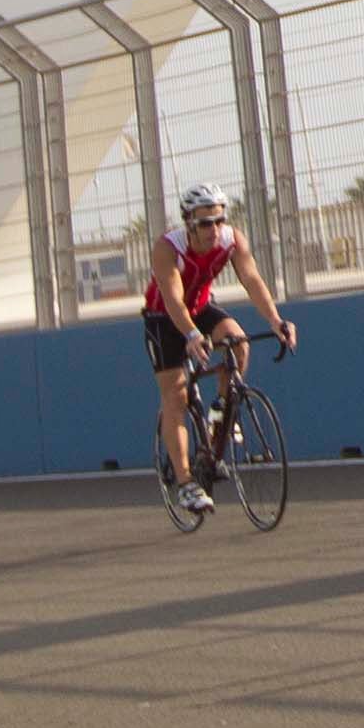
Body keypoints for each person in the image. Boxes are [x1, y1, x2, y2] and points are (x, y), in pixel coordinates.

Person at [145, 182, 294, 520]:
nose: (214, 229)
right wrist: (192, 334)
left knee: (238, 342)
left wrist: (275, 320)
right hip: (164, 319)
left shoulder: (231, 240)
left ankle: (220, 410)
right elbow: (171, 298)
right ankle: (185, 483)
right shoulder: (168, 249)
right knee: (176, 396)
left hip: (200, 308)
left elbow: (252, 278)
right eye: (205, 223)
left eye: (219, 220)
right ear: (188, 223)